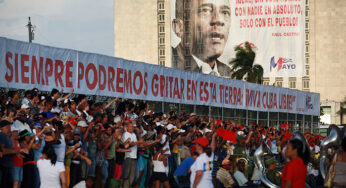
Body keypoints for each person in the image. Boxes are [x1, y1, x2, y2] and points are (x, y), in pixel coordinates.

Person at [172, 0, 232, 77]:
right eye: (205, 10)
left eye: (225, 12)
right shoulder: (167, 65)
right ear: (179, 27)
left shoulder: (230, 74)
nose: (219, 20)